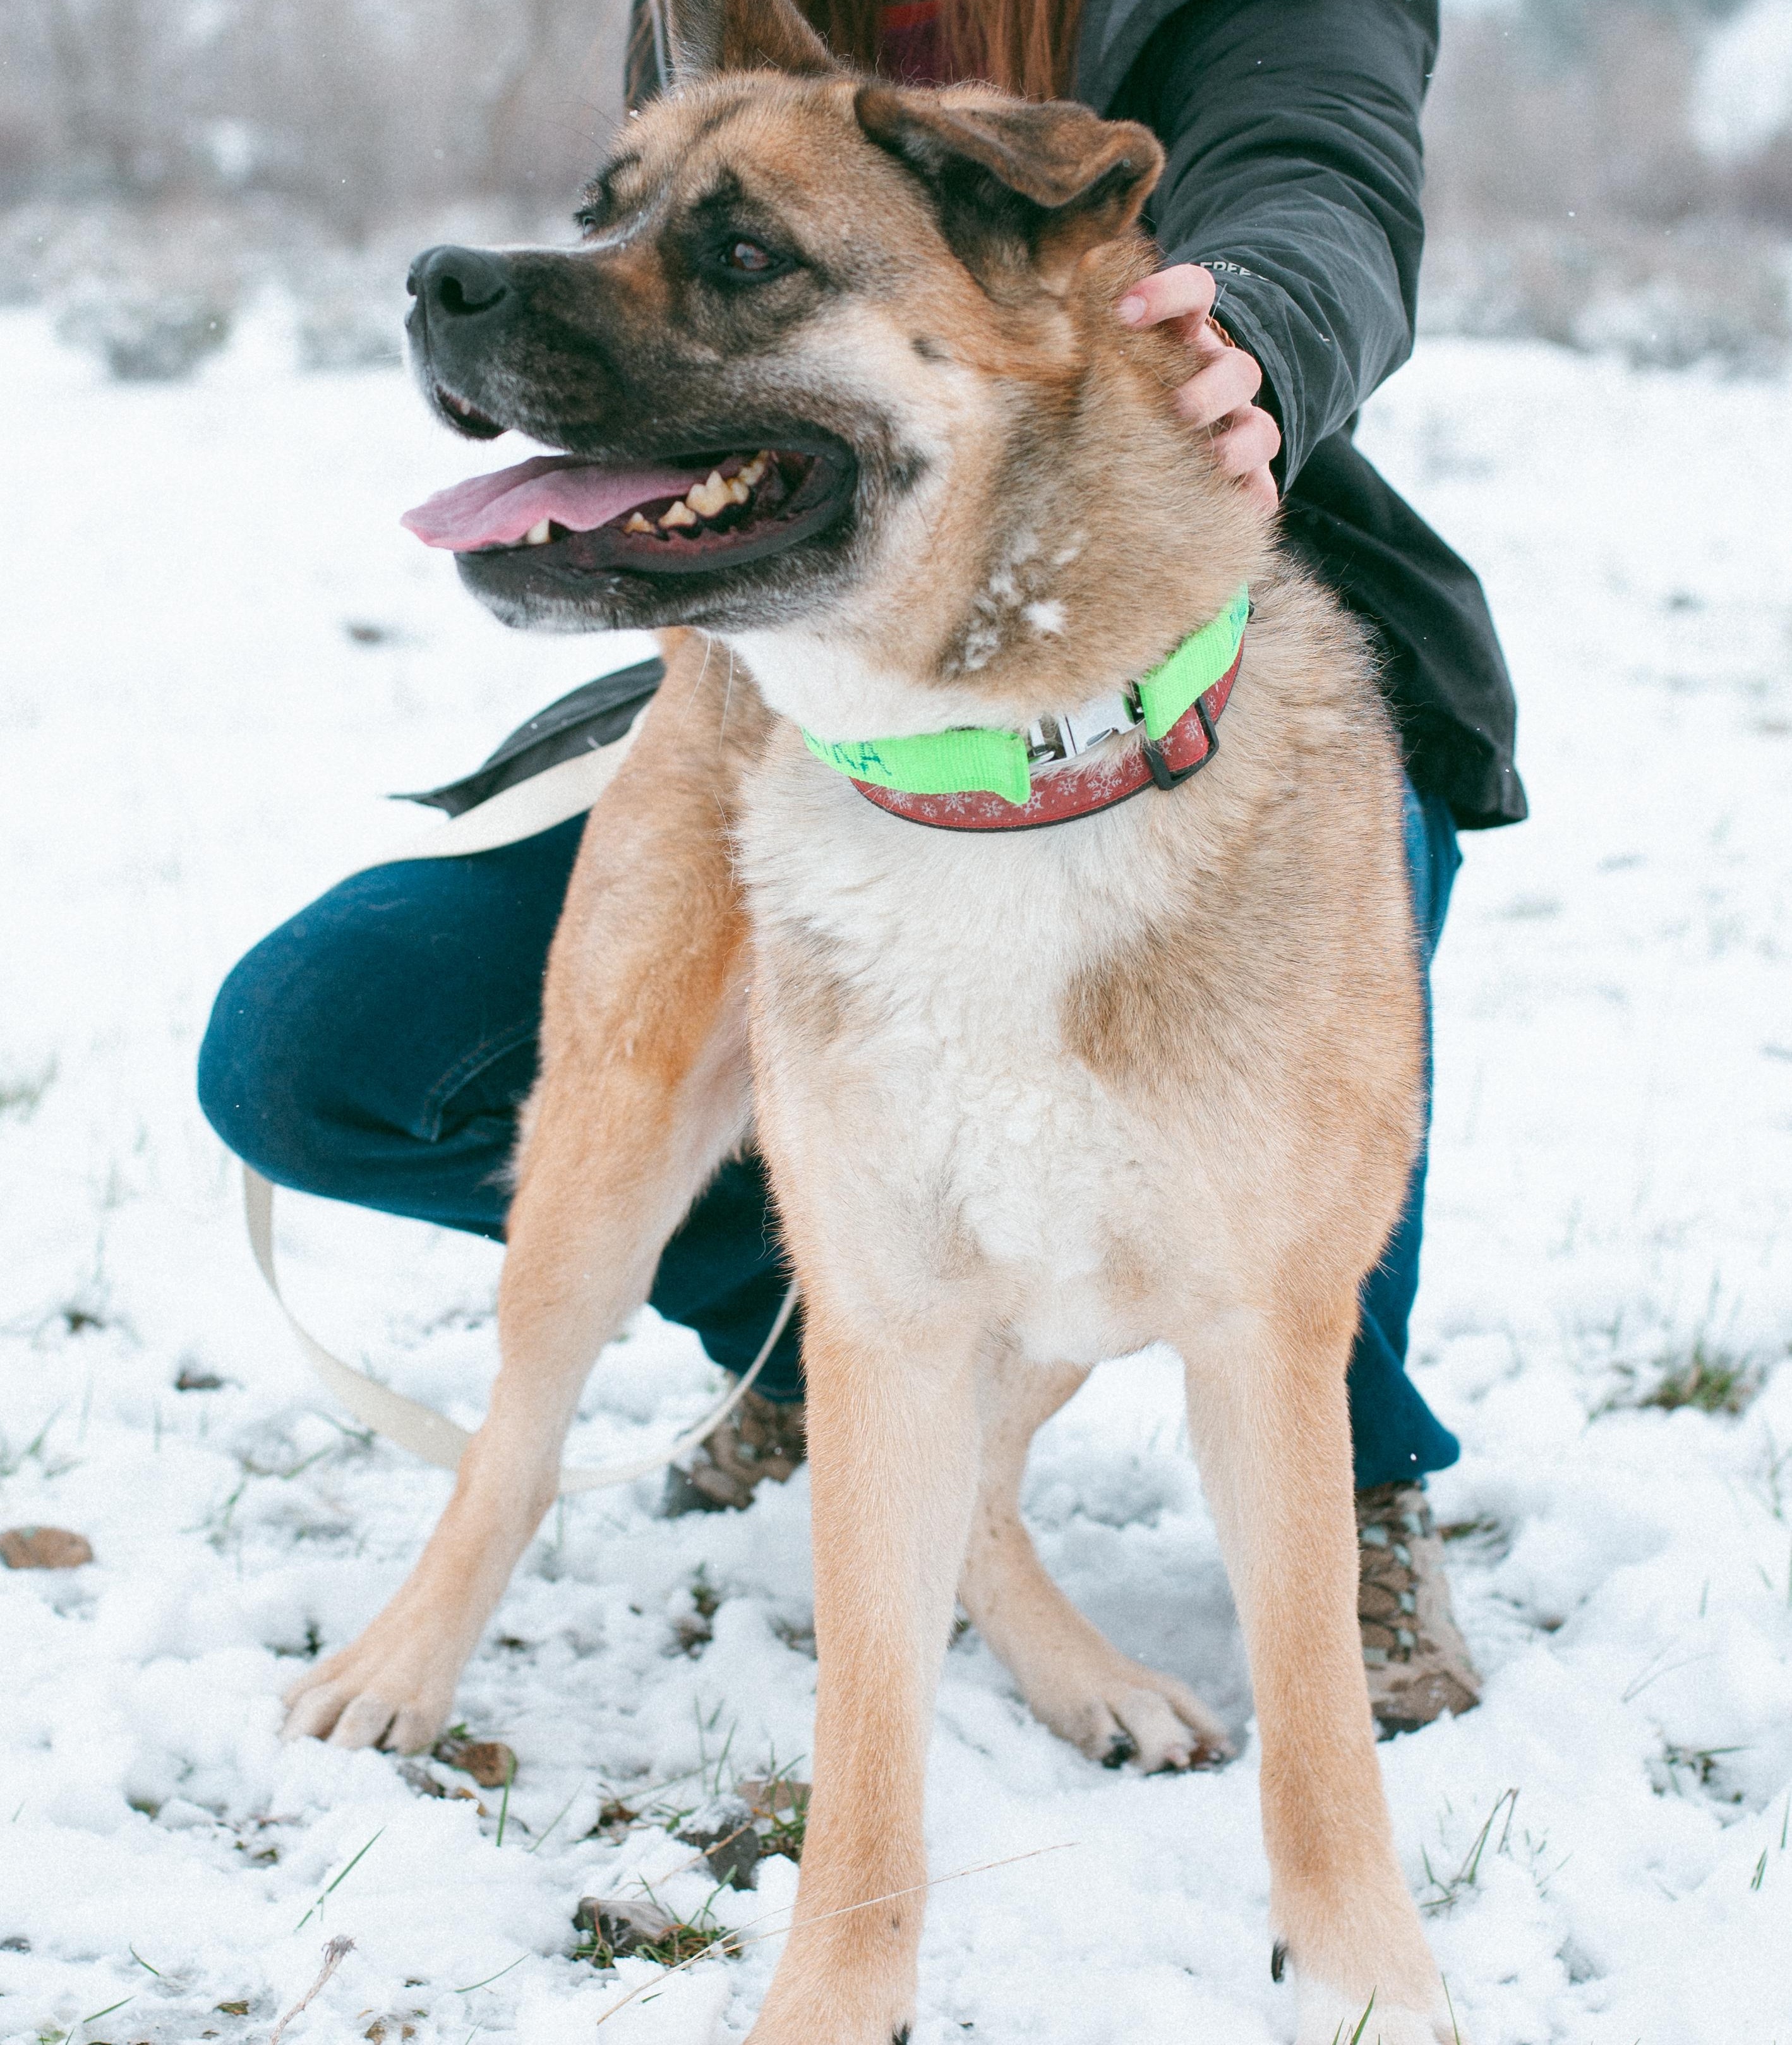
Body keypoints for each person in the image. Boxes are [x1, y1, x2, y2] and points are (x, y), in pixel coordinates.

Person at [200, 0, 1523, 1737]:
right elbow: (686, 339)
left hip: (1188, 649)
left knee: (1285, 1028)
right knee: (317, 1040)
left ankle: (1341, 1465)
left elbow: (1318, 174)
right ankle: (835, 1358)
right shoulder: (707, 17)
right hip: (805, 684)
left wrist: (1255, 336)